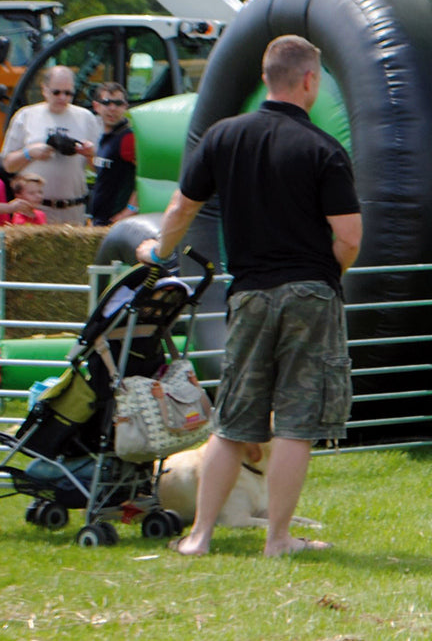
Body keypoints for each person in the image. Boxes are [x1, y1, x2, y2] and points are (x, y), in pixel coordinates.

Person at [138, 35, 361, 557]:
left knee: (234, 422)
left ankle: (199, 536)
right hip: (310, 292)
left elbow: (180, 209)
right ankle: (278, 540)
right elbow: (349, 237)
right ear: (309, 81)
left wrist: (157, 250)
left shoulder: (222, 137)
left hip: (249, 293)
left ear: (265, 78)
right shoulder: (324, 149)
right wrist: (325, 272)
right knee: (298, 421)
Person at [1, 66, 100, 224]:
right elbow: (8, 166)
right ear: (44, 89)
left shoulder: (86, 118)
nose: (63, 97)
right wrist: (29, 153)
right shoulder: (26, 116)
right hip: (34, 212)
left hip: (73, 209)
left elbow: (100, 169)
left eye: (68, 93)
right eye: (57, 92)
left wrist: (91, 154)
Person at [88, 81, 138, 226]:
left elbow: (145, 176)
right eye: (106, 103)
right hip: (100, 220)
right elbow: (106, 172)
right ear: (96, 106)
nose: (112, 108)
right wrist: (88, 156)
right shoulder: (104, 137)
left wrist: (130, 210)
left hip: (117, 222)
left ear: (125, 106)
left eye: (118, 103)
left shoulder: (128, 138)